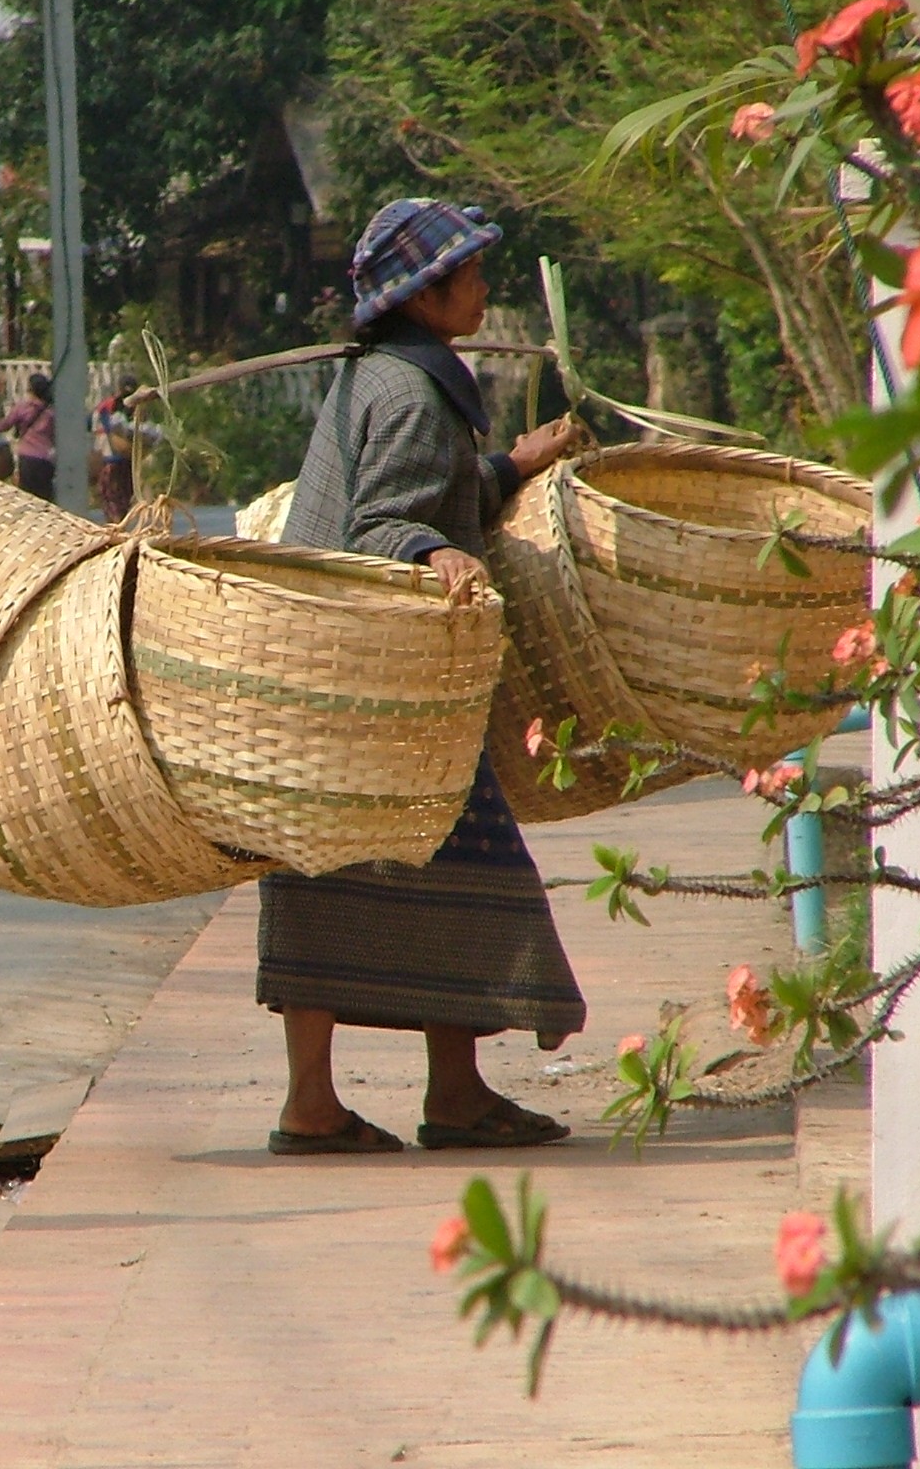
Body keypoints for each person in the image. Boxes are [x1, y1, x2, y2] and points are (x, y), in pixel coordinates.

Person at [260, 200, 585, 1156]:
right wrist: (437, 555)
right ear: (426, 296)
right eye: (471, 275)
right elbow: (382, 525)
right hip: (367, 684)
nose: (484, 288)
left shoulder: (395, 378)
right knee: (468, 871)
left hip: (330, 674)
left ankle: (418, 1098)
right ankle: (382, 1104)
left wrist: (505, 467)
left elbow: (423, 490)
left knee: (337, 879)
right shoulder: (407, 392)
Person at [0, 371, 56, 499]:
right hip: (46, 459)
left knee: (28, 498)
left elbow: (2, 426)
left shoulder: (23, 408)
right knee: (45, 499)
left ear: (30, 390)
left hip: (27, 458)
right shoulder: (51, 412)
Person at [92, 374, 158, 523]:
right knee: (115, 499)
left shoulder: (136, 406)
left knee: (117, 500)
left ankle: (116, 528)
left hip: (121, 460)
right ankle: (116, 527)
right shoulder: (111, 406)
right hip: (116, 459)